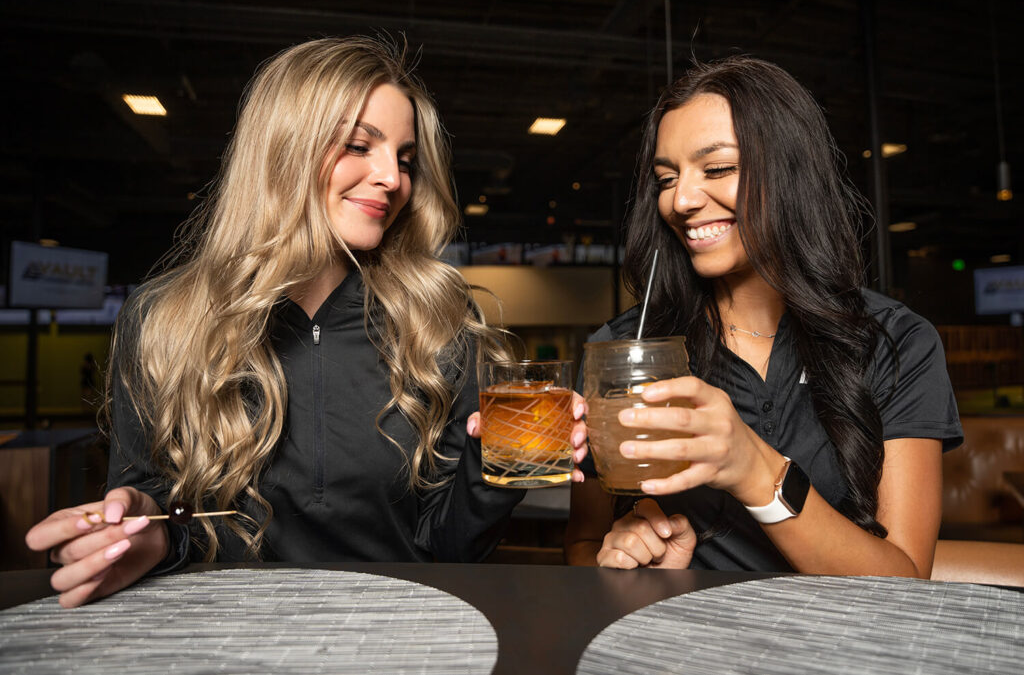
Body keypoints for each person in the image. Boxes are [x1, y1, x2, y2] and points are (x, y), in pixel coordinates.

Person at [26, 36, 558, 608]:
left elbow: (448, 548)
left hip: (401, 636)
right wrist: (144, 528)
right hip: (220, 637)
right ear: (285, 149)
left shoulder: (440, 322)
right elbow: (159, 505)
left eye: (405, 159)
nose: (393, 178)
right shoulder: (164, 319)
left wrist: (500, 466)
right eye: (360, 145)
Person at [565, 56, 962, 576]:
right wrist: (629, 565)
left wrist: (756, 470)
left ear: (790, 173)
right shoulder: (621, 351)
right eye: (666, 178)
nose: (681, 200)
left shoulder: (896, 342)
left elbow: (904, 581)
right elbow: (582, 547)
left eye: (718, 169)